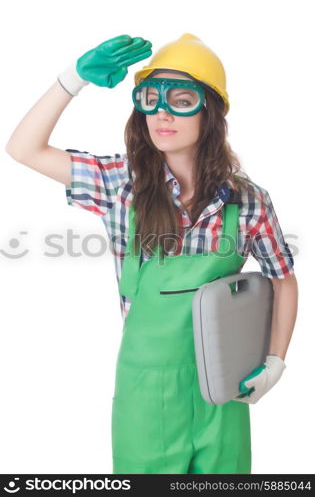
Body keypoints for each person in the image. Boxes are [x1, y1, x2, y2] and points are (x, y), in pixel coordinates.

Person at [5, 33, 298, 475]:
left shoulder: (248, 201)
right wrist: (72, 80)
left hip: (224, 390)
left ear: (210, 112)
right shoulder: (120, 185)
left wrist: (275, 361)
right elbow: (22, 149)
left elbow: (282, 278)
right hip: (146, 398)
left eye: (181, 99)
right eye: (150, 98)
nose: (161, 111)